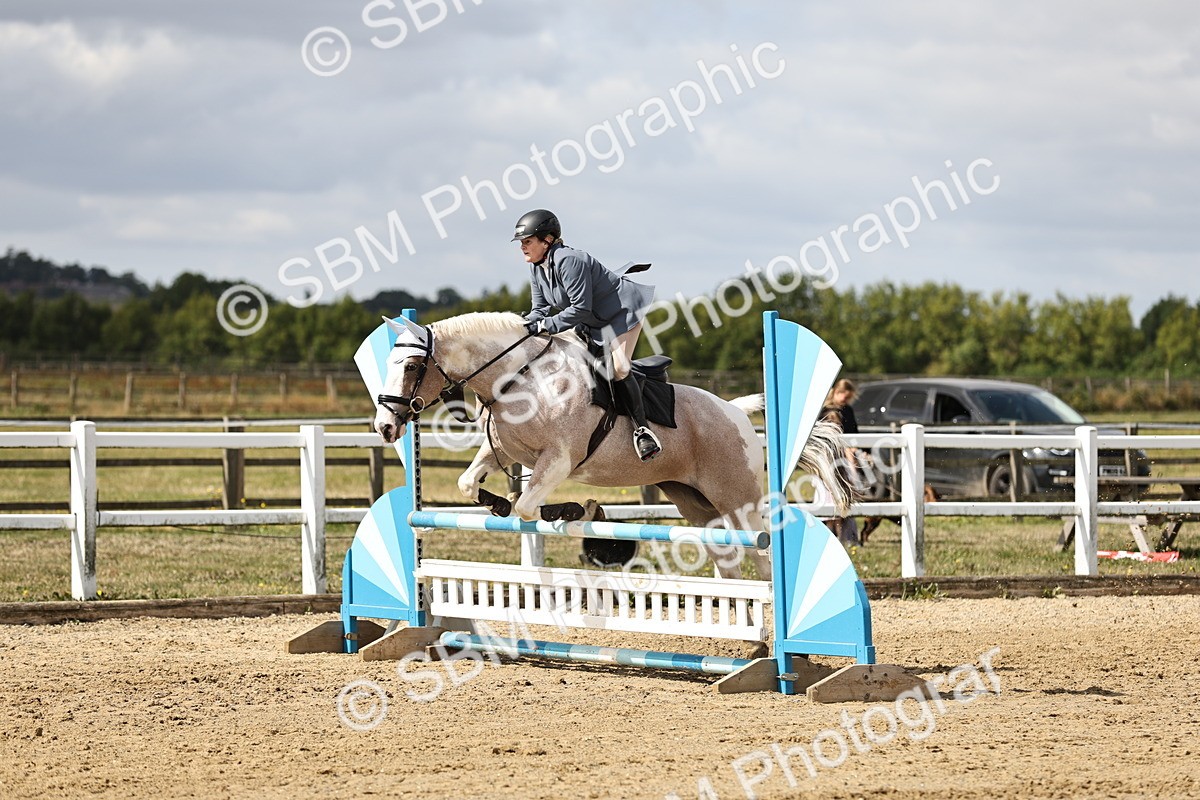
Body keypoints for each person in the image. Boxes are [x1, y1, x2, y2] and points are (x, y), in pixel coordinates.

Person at [511, 209, 662, 461]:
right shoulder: (537, 268)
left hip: (622, 312)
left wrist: (545, 325)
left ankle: (642, 430)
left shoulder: (570, 260)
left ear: (547, 240)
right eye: (522, 243)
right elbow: (540, 309)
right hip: (593, 322)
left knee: (619, 368)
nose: (523, 248)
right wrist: (521, 327)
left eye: (527, 241)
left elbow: (580, 308)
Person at [820, 378, 861, 545]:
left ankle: (844, 537)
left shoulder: (847, 410)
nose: (844, 397)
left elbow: (853, 434)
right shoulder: (825, 411)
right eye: (841, 393)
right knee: (828, 500)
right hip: (829, 459)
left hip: (844, 457)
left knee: (842, 499)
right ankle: (832, 537)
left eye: (847, 394)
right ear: (835, 392)